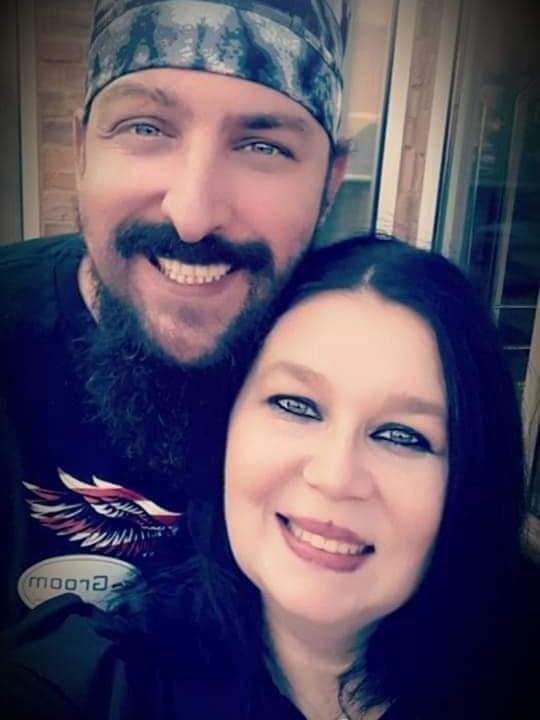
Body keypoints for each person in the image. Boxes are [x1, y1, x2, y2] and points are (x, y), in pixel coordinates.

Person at [1, 234, 538, 719]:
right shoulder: (94, 680)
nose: (335, 476)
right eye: (296, 405)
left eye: (403, 435)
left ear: (472, 477)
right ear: (226, 427)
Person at [0, 0, 351, 625]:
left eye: (264, 146)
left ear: (329, 185)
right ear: (81, 151)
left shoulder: (357, 365)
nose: (192, 215)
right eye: (146, 128)